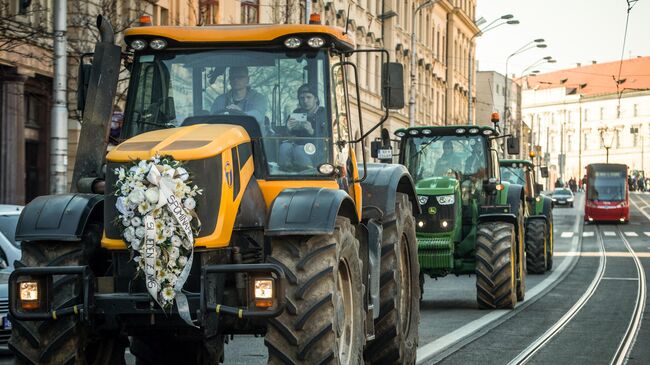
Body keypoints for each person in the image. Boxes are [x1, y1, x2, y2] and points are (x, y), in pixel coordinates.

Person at [278, 84, 327, 170]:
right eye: (302, 98)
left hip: (317, 150)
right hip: (296, 147)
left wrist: (312, 131)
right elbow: (284, 137)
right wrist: (288, 130)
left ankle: (308, 173)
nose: (305, 101)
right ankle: (285, 174)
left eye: (309, 97)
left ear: (315, 99)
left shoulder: (324, 114)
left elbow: (328, 137)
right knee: (284, 147)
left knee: (300, 149)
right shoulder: (296, 113)